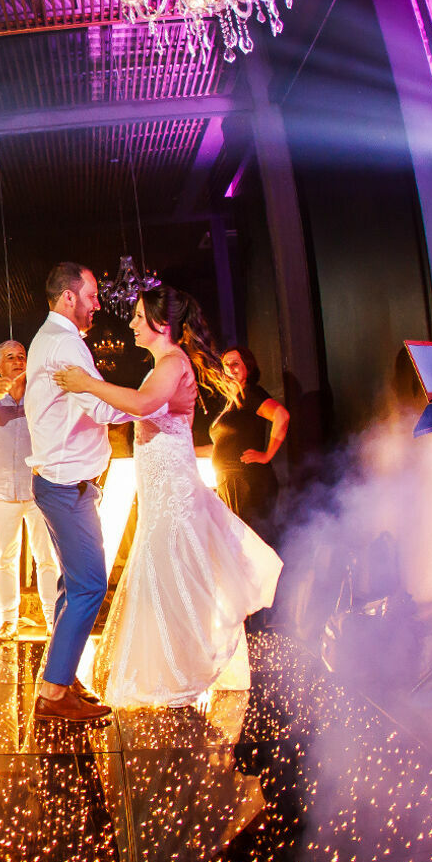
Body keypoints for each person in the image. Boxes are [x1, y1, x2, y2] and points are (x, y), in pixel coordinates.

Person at [55, 286, 284, 708]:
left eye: (139, 317)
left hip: (172, 493)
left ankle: (173, 675)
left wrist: (87, 382)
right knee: (170, 573)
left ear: (162, 324)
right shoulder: (165, 362)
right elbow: (139, 408)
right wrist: (93, 400)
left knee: (174, 573)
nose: (132, 324)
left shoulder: (173, 361)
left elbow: (144, 404)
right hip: (164, 490)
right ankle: (169, 668)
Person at [22, 262, 128, 722]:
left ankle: (60, 677)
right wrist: (154, 402)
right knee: (88, 587)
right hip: (67, 486)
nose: (98, 304)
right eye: (93, 295)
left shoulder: (48, 337)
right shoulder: (65, 343)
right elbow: (104, 408)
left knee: (71, 588)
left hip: (59, 481)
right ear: (69, 297)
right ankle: (52, 694)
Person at [0, 341, 62, 641]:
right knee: (4, 558)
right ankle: (8, 621)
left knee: (47, 558)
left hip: (39, 489)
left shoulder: (40, 396)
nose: (18, 361)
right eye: (10, 357)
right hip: (2, 490)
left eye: (22, 356)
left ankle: (52, 620)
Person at [211, 346, 289, 543]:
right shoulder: (232, 401)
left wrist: (267, 454)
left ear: (248, 366)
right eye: (225, 365)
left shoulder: (250, 394)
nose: (230, 368)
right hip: (229, 482)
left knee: (252, 543)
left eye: (235, 363)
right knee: (238, 545)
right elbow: (224, 444)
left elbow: (281, 415)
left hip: (247, 481)